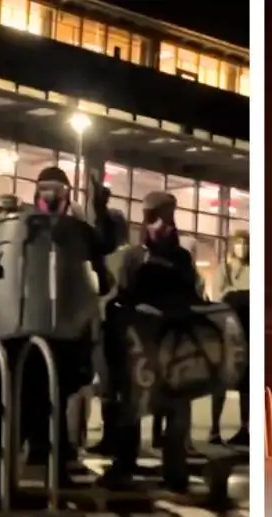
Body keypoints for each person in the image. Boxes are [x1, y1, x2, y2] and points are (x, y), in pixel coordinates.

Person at [0, 166, 115, 489]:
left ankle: (44, 465)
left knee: (48, 401)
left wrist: (101, 212)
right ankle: (5, 471)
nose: (50, 199)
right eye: (44, 191)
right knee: (22, 401)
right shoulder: (16, 229)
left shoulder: (77, 232)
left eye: (57, 192)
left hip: (60, 331)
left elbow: (102, 255)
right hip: (19, 328)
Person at [100, 191, 208, 492]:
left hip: (173, 342)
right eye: (157, 218)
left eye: (169, 218)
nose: (164, 225)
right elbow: (121, 298)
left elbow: (191, 297)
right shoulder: (134, 257)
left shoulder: (181, 258)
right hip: (139, 343)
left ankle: (175, 470)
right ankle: (124, 466)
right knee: (132, 407)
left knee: (176, 408)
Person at [87, 208, 131, 457]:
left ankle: (115, 439)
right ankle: (109, 436)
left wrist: (104, 301)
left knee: (115, 387)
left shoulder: (124, 256)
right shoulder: (100, 257)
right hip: (101, 328)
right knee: (106, 387)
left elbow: (122, 288)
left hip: (116, 328)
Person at [210, 229, 250, 446]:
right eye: (238, 243)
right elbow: (219, 298)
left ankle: (244, 428)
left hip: (246, 332)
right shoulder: (223, 269)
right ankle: (214, 429)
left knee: (246, 384)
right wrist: (239, 295)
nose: (242, 247)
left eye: (245, 243)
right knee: (219, 382)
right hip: (225, 333)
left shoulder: (253, 269)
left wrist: (235, 295)